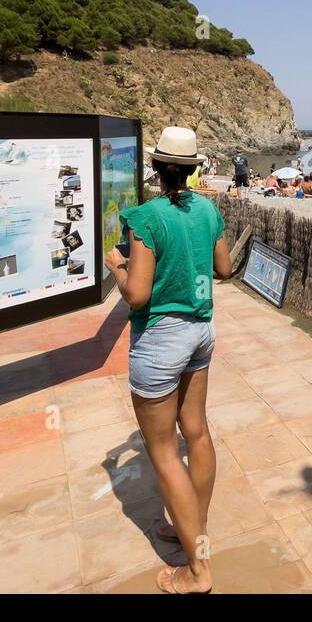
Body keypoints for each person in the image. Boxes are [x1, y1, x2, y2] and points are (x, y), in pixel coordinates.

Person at [104, 126, 232, 595]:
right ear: (193, 169)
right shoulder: (208, 210)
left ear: (156, 169)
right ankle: (191, 529)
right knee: (196, 432)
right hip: (201, 332)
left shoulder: (146, 217)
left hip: (161, 340)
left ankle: (197, 571)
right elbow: (223, 269)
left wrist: (116, 265)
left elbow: (138, 295)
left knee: (162, 451)